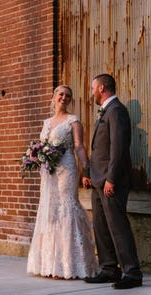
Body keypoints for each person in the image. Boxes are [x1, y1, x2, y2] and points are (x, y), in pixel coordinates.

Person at [26, 85, 98, 279]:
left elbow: (79, 147)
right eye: (61, 94)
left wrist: (86, 169)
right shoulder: (46, 122)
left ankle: (69, 265)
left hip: (66, 169)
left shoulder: (73, 121)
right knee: (50, 210)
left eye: (68, 96)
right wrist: (36, 157)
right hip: (48, 173)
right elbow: (42, 146)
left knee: (65, 208)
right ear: (54, 96)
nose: (64, 98)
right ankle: (50, 264)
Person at [82, 73, 143, 289]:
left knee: (118, 227)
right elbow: (99, 148)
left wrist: (111, 178)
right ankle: (109, 269)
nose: (91, 93)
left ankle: (132, 273)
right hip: (98, 180)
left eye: (93, 89)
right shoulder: (105, 112)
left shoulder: (116, 111)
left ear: (101, 88)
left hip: (111, 182)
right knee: (101, 227)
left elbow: (119, 149)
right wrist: (88, 171)